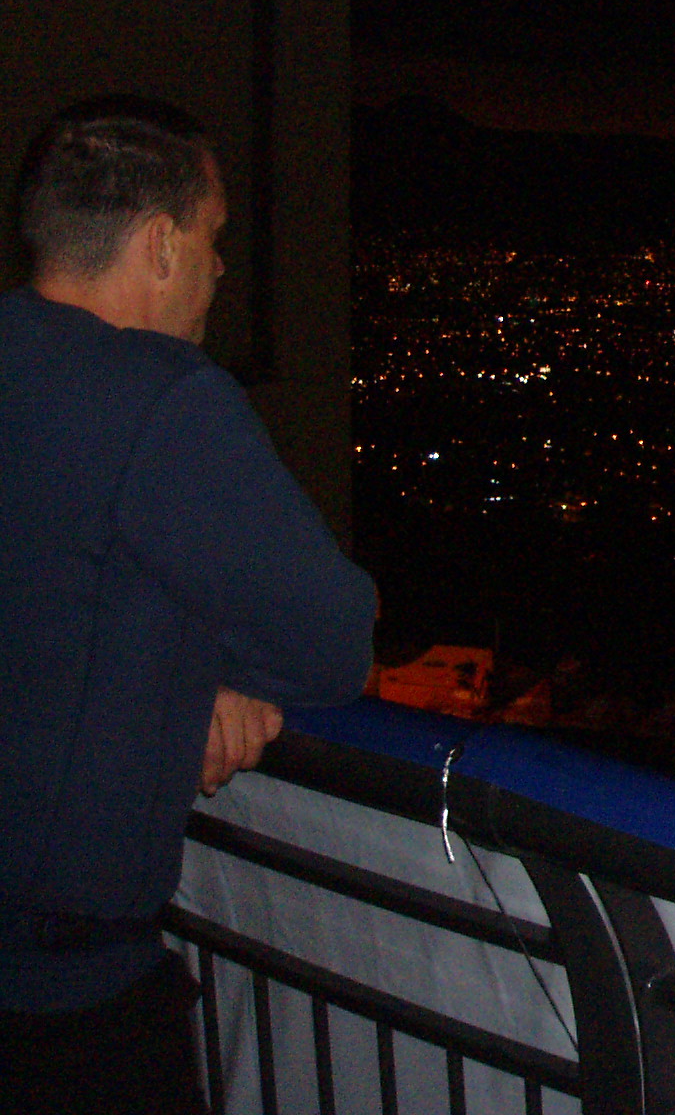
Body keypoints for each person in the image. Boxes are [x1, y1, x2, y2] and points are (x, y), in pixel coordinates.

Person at [0, 96, 377, 1112]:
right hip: (64, 1011)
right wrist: (226, 674)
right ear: (160, 245)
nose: (217, 269)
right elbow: (333, 640)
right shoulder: (160, 397)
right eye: (212, 240)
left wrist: (193, 668)